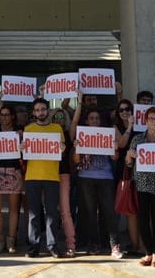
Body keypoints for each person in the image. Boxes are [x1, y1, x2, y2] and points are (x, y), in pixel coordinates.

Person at [72, 101, 121, 258]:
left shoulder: (107, 135)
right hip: (85, 177)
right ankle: (94, 244)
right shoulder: (82, 135)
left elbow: (114, 158)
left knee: (109, 212)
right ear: (86, 121)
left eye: (97, 118)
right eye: (91, 118)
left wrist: (114, 148)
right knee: (90, 213)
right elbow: (76, 160)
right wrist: (77, 147)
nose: (94, 121)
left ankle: (115, 246)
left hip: (105, 177)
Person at [125, 106, 155, 268]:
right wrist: (129, 156)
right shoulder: (137, 139)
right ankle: (148, 253)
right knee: (142, 220)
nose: (154, 121)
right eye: (151, 118)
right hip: (141, 186)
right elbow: (129, 163)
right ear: (145, 121)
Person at [23, 97, 64, 259]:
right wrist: (21, 148)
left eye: (43, 109)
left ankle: (52, 245)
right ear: (34, 113)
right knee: (33, 213)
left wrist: (63, 147)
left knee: (52, 212)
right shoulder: (28, 129)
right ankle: (34, 246)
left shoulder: (57, 129)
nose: (40, 112)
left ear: (48, 111)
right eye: (37, 110)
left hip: (52, 176)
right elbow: (24, 154)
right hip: (32, 176)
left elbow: (62, 149)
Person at [0, 99, 22, 254]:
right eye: (2, 115)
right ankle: (0, 240)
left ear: (13, 117)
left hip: (14, 171)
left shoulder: (19, 131)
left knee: (14, 209)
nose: (4, 118)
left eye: (7, 115)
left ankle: (11, 241)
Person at [112, 98, 141, 256]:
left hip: (143, 170)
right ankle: (133, 243)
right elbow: (122, 144)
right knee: (129, 208)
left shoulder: (142, 126)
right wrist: (130, 126)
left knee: (141, 208)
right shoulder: (116, 126)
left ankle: (142, 243)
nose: (125, 112)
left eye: (128, 109)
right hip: (125, 170)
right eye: (121, 110)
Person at [50, 107, 76, 257]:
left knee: (65, 212)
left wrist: (79, 101)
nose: (59, 120)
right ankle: (50, 244)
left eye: (62, 117)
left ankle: (71, 244)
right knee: (50, 212)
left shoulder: (67, 133)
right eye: (56, 117)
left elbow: (75, 121)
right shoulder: (45, 132)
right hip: (47, 174)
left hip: (63, 175)